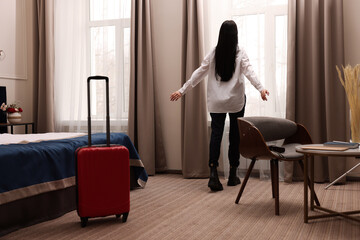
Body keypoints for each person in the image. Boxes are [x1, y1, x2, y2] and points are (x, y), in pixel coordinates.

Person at [170, 20, 269, 191]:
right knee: (235, 136)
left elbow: (199, 72)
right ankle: (232, 174)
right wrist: (261, 88)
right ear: (235, 35)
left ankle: (213, 174)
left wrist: (182, 90)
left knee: (216, 135)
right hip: (235, 101)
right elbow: (249, 72)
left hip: (216, 101)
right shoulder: (240, 52)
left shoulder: (214, 53)